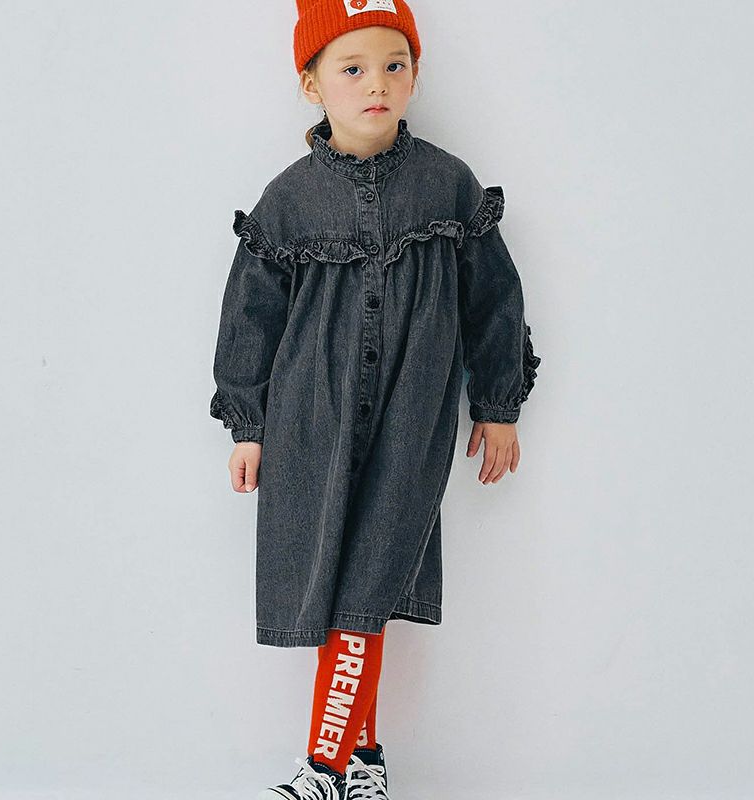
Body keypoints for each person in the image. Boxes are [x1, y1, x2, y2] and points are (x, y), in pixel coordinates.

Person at [209, 1, 542, 797]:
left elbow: (493, 299)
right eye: (352, 68)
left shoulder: (448, 185)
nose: (377, 84)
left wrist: (498, 403)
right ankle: (364, 763)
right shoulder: (289, 200)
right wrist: (248, 423)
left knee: (372, 578)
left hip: (413, 418)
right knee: (334, 583)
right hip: (310, 421)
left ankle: (321, 768)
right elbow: (251, 315)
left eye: (395, 65)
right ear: (312, 84)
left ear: (415, 74)